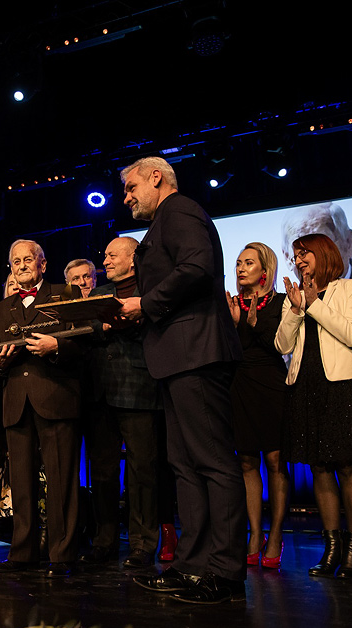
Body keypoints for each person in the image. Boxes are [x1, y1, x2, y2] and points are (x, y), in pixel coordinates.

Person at [117, 156, 246, 604]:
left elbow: (195, 268)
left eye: (132, 187)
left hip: (196, 354)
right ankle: (192, 566)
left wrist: (143, 304)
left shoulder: (181, 210)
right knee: (185, 466)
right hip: (176, 357)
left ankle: (226, 571)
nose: (128, 197)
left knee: (211, 462)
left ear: (157, 178)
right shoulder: (165, 221)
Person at [275, 233, 352, 579]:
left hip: (343, 385)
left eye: (305, 254)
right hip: (304, 386)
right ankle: (332, 546)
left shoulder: (350, 288)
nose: (300, 260)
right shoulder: (293, 296)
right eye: (296, 256)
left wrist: (315, 303)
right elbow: (281, 344)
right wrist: (296, 308)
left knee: (348, 466)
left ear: (324, 253)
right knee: (320, 468)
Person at [0, 239, 84, 578]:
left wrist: (57, 345)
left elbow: (84, 343)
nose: (22, 266)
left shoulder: (64, 293)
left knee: (61, 480)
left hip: (56, 396)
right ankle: (23, 553)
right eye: (15, 262)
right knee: (21, 482)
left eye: (28, 260)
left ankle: (62, 554)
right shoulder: (2, 308)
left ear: (43, 264)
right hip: (16, 400)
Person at [81, 237, 167, 568]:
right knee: (102, 472)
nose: (106, 260)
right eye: (105, 255)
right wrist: (106, 325)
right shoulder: (100, 293)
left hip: (140, 389)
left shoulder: (153, 289)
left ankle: (143, 543)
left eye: (113, 255)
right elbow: (85, 327)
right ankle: (104, 540)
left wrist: (119, 323)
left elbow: (154, 328)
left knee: (142, 471)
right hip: (100, 391)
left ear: (133, 260)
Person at [225, 243, 289, 569]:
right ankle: (254, 534)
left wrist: (248, 322)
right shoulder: (229, 304)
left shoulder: (280, 302)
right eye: (237, 263)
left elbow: (277, 342)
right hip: (240, 385)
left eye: (248, 262)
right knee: (247, 463)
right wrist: (233, 322)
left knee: (276, 462)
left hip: (272, 385)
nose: (240, 268)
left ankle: (276, 535)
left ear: (264, 270)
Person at [280, 202, 352, 280]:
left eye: (321, 246)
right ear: (287, 257)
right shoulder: (291, 296)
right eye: (301, 251)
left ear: (348, 242)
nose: (311, 258)